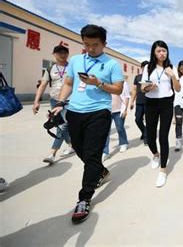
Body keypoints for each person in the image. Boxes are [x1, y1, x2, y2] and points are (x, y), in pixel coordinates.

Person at [51, 24, 123, 224]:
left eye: (95, 45)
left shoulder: (111, 64)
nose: (91, 49)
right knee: (80, 149)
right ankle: (100, 171)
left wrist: (98, 83)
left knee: (91, 154)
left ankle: (84, 198)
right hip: (74, 111)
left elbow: (117, 89)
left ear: (104, 44)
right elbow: (68, 83)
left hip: (99, 113)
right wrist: (60, 103)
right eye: (86, 44)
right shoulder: (75, 60)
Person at [141, 40, 181, 187]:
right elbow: (142, 88)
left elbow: (177, 89)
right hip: (151, 103)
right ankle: (155, 155)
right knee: (150, 136)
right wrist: (148, 88)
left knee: (163, 136)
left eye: (164, 50)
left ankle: (163, 170)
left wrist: (173, 76)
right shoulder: (148, 67)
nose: (162, 53)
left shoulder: (171, 67)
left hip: (166, 104)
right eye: (159, 51)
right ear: (154, 52)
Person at [33, 44, 74, 164]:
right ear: (54, 54)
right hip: (54, 100)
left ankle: (52, 153)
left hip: (69, 101)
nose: (62, 55)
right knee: (60, 125)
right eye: (59, 52)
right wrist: (36, 101)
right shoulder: (50, 69)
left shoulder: (72, 67)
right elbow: (43, 85)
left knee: (63, 126)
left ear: (67, 54)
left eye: (64, 52)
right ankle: (72, 145)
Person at [102, 79, 130, 161]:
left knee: (120, 128)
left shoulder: (123, 83)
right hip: (107, 110)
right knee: (105, 131)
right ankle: (105, 152)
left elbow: (127, 96)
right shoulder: (104, 82)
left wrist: (125, 110)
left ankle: (123, 143)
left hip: (118, 110)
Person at [130, 61, 149, 146]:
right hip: (139, 102)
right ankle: (145, 132)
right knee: (138, 120)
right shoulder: (137, 77)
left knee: (149, 121)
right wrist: (132, 101)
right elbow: (134, 89)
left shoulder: (151, 77)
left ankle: (146, 137)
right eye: (144, 67)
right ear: (141, 68)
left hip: (149, 102)